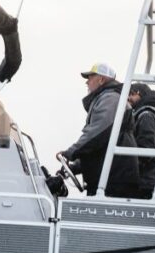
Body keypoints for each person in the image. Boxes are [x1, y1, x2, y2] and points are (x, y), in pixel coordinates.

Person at [58, 63, 142, 198]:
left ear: (101, 80)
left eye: (90, 77)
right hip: (111, 178)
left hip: (114, 181)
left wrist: (71, 152)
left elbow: (97, 133)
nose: (87, 82)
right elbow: (100, 146)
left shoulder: (110, 99)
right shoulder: (109, 98)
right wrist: (75, 166)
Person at [128, 81, 155, 198]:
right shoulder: (143, 115)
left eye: (131, 94)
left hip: (147, 182)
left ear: (140, 94)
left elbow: (145, 150)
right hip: (148, 180)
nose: (128, 98)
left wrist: (126, 167)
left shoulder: (146, 116)